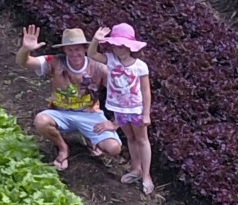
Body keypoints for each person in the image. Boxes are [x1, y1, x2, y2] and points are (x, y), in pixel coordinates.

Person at [21, 25, 121, 173]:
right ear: (64, 50)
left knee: (114, 148)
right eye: (70, 49)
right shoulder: (54, 61)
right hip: (61, 113)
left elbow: (121, 95)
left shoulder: (99, 68)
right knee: (41, 121)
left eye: (77, 49)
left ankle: (89, 138)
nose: (74, 53)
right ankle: (63, 148)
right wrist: (26, 49)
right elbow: (24, 62)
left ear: (84, 49)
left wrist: (115, 123)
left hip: (89, 114)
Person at [99, 23, 155, 194]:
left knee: (142, 140)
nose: (118, 49)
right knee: (130, 138)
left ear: (130, 47)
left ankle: (146, 175)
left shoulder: (140, 66)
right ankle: (135, 169)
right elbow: (92, 54)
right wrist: (96, 40)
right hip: (119, 109)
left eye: (122, 46)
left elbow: (146, 91)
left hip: (136, 109)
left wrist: (146, 114)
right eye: (115, 45)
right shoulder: (110, 59)